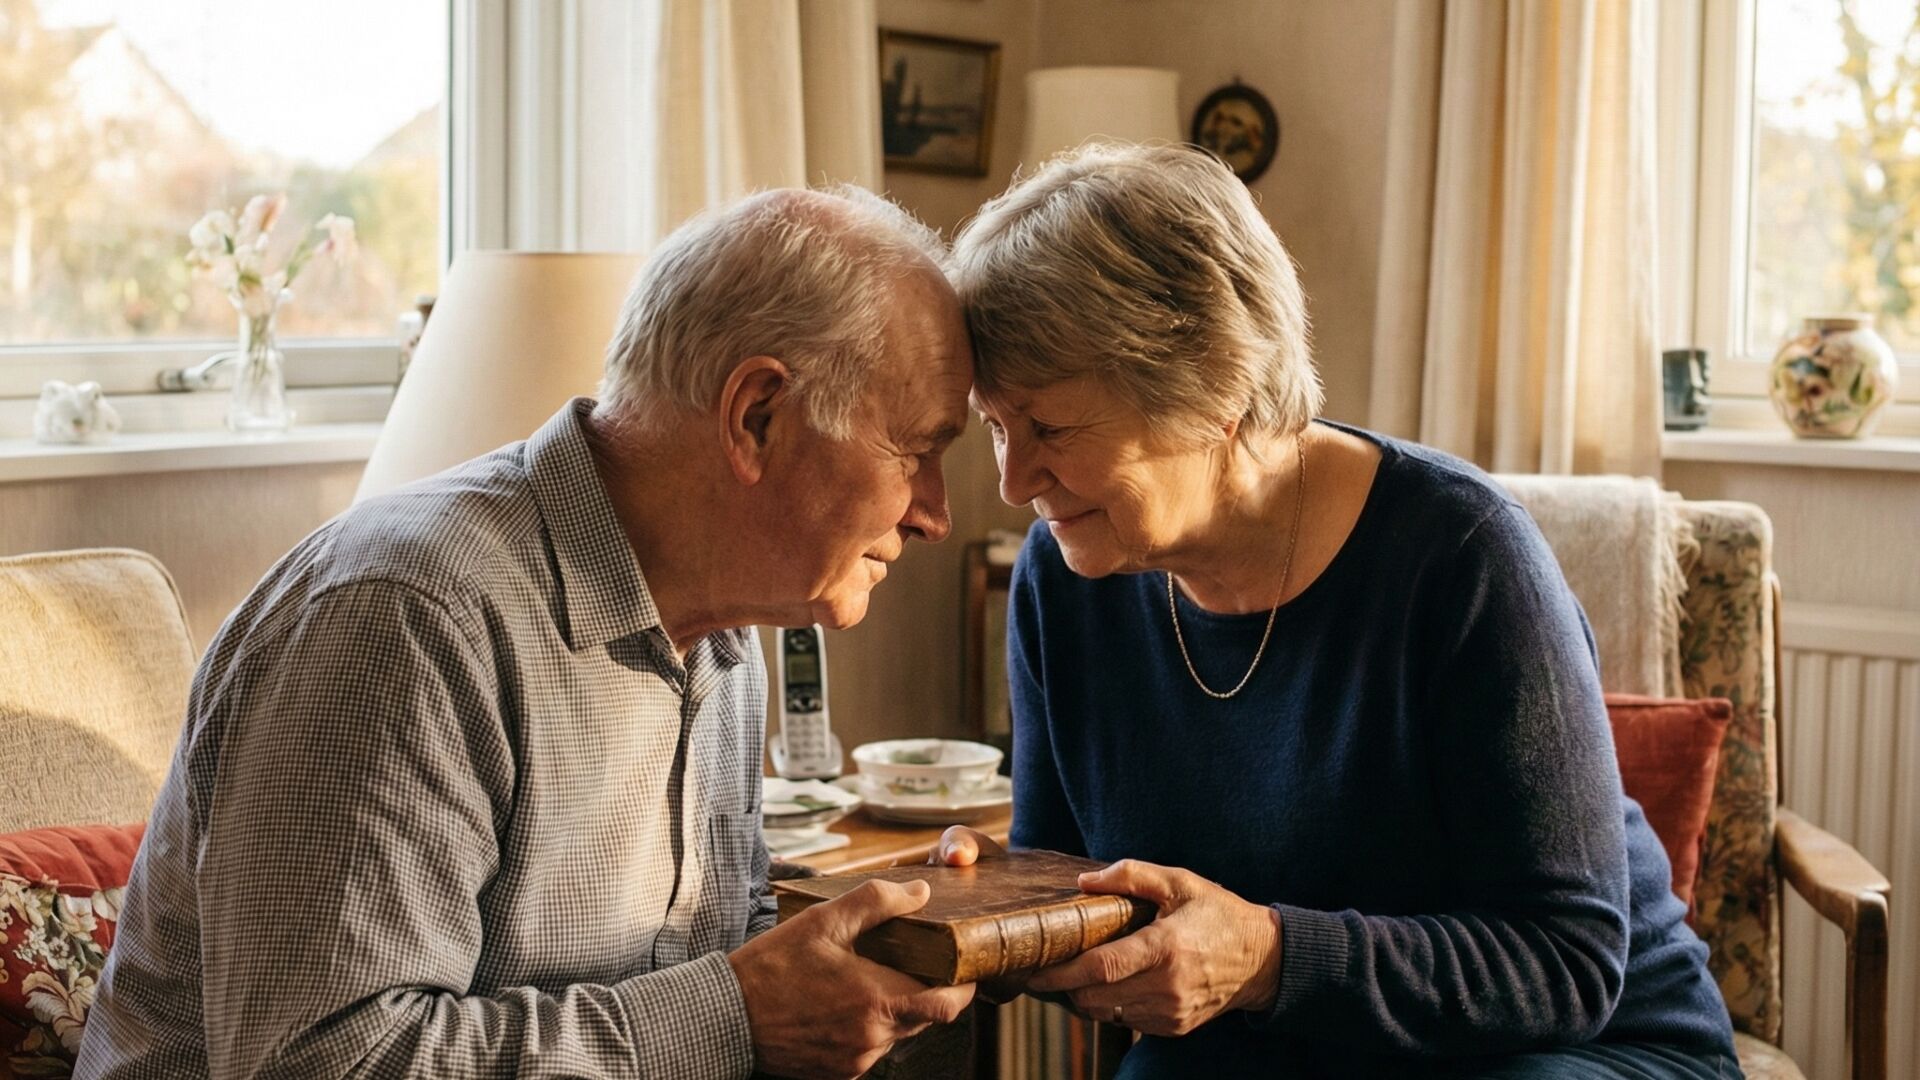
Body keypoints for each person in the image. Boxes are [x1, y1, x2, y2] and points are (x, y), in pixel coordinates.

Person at [77, 187, 977, 1080]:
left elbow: (706, 967)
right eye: (917, 449)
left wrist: (892, 940)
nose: (937, 512)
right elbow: (324, 1062)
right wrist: (734, 1017)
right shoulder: (404, 619)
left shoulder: (724, 639)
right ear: (757, 418)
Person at [933, 143, 1740, 1078]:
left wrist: (1270, 958)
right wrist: (996, 912)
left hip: (1573, 1047)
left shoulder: (1465, 558)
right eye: (996, 426)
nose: (1010, 482)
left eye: (1050, 429)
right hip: (1282, 1034)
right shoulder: (1064, 575)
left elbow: (1566, 964)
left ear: (1213, 389)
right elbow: (1074, 877)